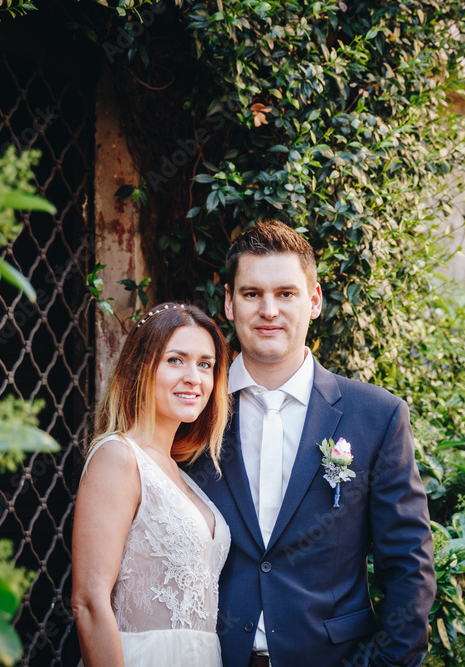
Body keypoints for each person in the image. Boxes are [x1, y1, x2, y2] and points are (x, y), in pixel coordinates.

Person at [188, 219, 436, 667]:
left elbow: (408, 567)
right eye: (251, 294)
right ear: (228, 302)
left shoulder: (377, 417)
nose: (269, 310)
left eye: (286, 293)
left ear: (315, 300)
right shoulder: (191, 412)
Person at [72, 302, 232, 667]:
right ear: (140, 367)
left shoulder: (180, 473)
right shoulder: (118, 457)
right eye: (176, 360)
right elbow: (89, 602)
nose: (194, 377)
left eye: (205, 364)